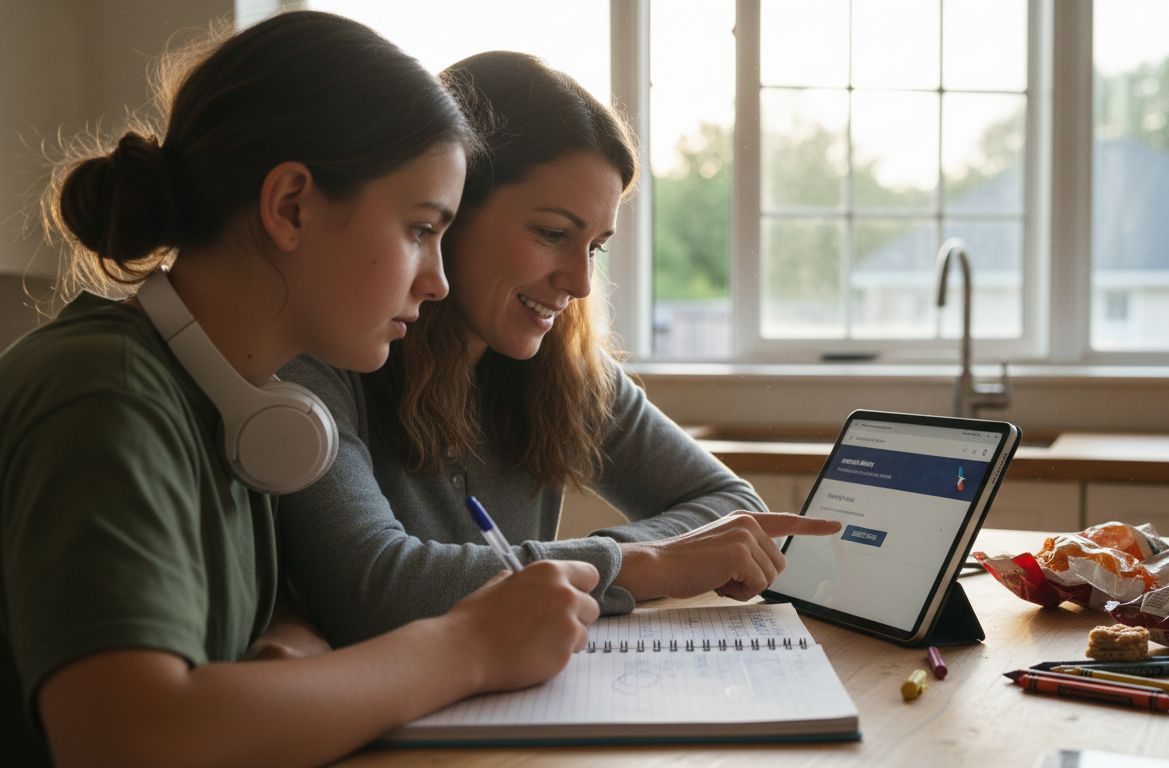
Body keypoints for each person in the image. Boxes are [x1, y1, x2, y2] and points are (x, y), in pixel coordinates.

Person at [0, 15, 601, 768]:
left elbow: (229, 618)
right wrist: (468, 645)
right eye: (420, 228)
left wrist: (291, 634)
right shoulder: (103, 396)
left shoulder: (237, 400)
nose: (438, 280)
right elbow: (127, 737)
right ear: (290, 206)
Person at [278, 51, 840, 647]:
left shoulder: (559, 369)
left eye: (594, 246)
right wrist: (641, 565)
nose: (579, 284)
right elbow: (375, 587)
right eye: (552, 234)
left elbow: (730, 505)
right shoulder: (327, 357)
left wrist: (617, 561)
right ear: (448, 208)